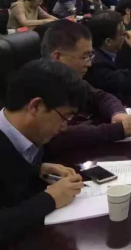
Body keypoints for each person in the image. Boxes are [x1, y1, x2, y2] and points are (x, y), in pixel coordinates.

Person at [0, 60, 85, 244]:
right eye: (65, 117)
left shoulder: (26, 134)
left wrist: (36, 169)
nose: (64, 127)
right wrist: (50, 199)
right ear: (35, 106)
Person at [41, 21, 131, 152]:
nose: (89, 64)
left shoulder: (68, 79)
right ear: (58, 57)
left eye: (90, 56)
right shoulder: (37, 83)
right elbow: (55, 136)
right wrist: (118, 130)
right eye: (84, 57)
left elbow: (101, 97)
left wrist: (118, 113)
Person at [85, 11, 131, 99]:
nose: (127, 35)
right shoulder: (97, 63)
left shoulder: (112, 52)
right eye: (123, 33)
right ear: (108, 42)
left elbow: (120, 74)